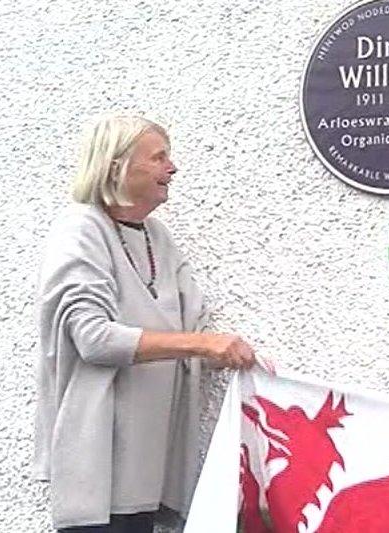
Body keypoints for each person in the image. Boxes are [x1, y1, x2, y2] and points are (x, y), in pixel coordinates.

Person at [34, 114, 272, 532]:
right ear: (116, 165)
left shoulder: (157, 237)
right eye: (159, 157)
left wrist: (242, 363)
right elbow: (93, 339)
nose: (172, 168)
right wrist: (202, 345)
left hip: (154, 467)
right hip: (100, 470)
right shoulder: (80, 229)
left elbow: (190, 337)